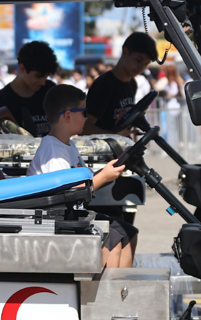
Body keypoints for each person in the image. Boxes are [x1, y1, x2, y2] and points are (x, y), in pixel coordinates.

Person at [27, 84, 137, 268]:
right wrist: (104, 177)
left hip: (71, 214)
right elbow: (68, 191)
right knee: (113, 243)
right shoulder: (53, 149)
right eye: (84, 112)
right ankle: (104, 294)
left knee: (129, 233)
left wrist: (114, 166)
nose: (87, 117)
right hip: (56, 218)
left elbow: (85, 181)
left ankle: (121, 289)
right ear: (68, 115)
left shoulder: (68, 145)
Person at [83, 33, 158, 135]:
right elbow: (84, 127)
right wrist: (114, 135)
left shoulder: (132, 84)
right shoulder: (104, 84)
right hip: (103, 148)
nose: (141, 67)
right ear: (125, 52)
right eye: (138, 60)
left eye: (146, 64)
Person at [0, 41, 58, 136]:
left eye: (46, 77)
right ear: (22, 68)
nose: (43, 82)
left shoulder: (51, 92)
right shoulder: (1, 102)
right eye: (38, 76)